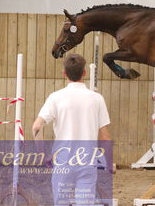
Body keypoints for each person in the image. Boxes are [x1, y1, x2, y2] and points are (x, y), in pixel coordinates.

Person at [32, 53, 112, 205]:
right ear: (84, 73)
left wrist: (43, 154)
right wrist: (108, 163)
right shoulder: (97, 99)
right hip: (87, 162)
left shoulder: (55, 97)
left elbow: (37, 126)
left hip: (63, 162)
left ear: (64, 74)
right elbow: (105, 137)